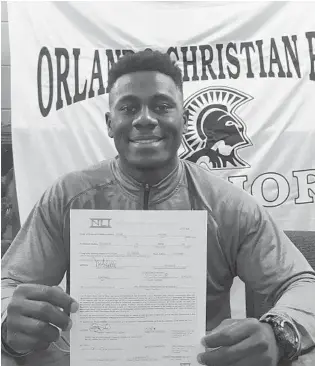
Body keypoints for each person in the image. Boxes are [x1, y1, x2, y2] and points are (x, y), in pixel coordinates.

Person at [2, 50, 315, 366]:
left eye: (162, 106)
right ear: (110, 123)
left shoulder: (228, 206)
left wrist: (279, 333)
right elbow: (8, 283)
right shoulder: (66, 198)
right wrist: (7, 321)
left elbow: (304, 284)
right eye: (128, 108)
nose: (145, 119)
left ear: (183, 119)